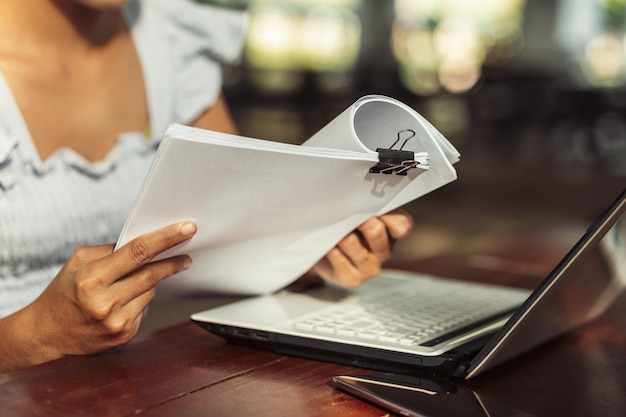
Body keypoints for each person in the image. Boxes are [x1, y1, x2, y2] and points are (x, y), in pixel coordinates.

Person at [0, 0, 413, 373]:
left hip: (133, 383)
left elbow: (231, 229)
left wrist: (299, 255)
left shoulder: (172, 42)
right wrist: (33, 335)